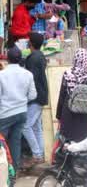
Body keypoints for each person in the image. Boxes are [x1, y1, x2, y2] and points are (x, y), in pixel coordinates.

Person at [0, 46, 36, 169]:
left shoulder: (2, 75)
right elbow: (33, 95)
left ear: (7, 59)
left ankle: (3, 171)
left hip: (5, 114)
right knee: (15, 142)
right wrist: (21, 100)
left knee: (2, 143)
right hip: (21, 112)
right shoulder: (28, 74)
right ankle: (14, 171)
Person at [56, 49, 87, 143]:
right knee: (81, 139)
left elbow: (62, 95)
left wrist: (59, 116)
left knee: (67, 139)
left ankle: (67, 156)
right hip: (84, 112)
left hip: (69, 110)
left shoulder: (68, 74)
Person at [20, 33, 47, 167]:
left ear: (31, 43)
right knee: (36, 127)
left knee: (26, 125)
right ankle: (40, 154)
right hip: (41, 95)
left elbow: (30, 78)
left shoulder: (33, 58)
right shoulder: (40, 56)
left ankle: (37, 155)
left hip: (35, 96)